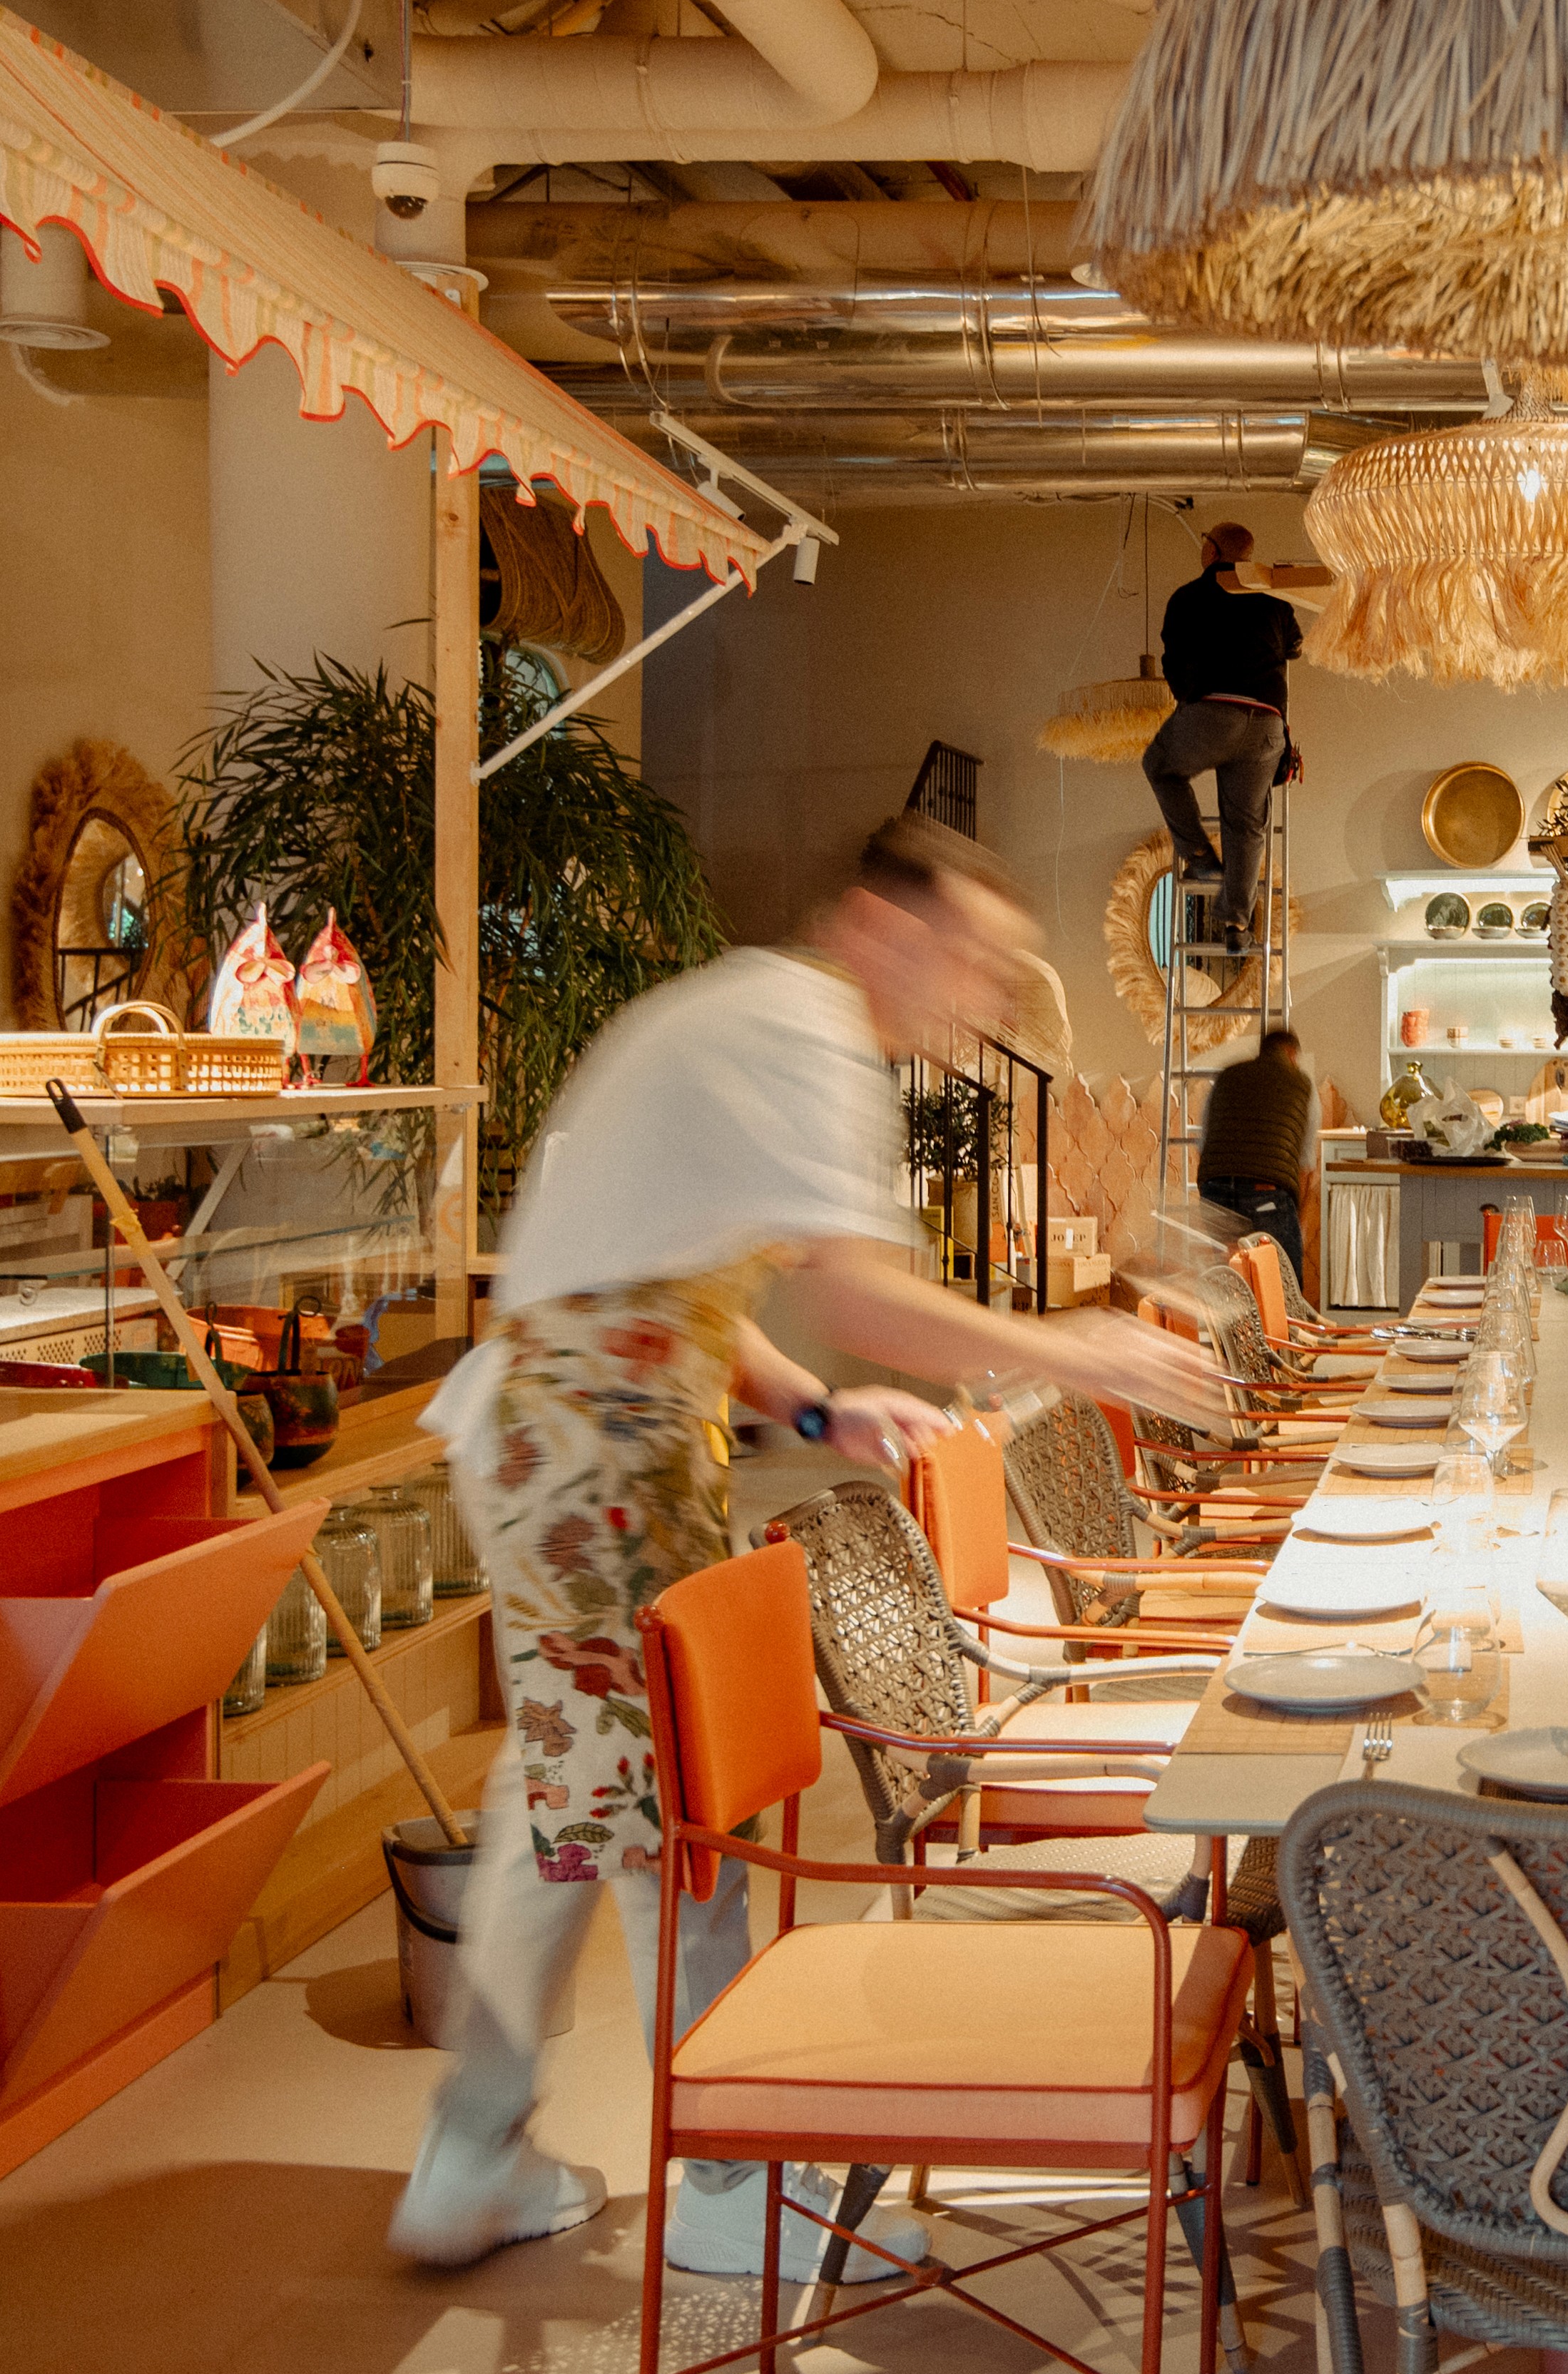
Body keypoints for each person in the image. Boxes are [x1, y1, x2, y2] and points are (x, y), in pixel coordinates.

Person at [390, 815, 1228, 2279]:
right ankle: (729, 2180)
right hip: (587, 1445)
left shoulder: (757, 1013)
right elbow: (857, 1298)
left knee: (573, 1791)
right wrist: (1079, 1347)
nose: (982, 997)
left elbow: (677, 1284)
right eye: (973, 960)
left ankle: (474, 2154)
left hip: (577, 1431)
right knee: (673, 1815)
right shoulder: (811, 1034)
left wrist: (819, 1409)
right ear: (880, 928)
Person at [1140, 521, 1304, 947]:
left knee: (1159, 766)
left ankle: (1200, 857)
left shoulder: (1189, 597)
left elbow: (1174, 658)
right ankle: (1237, 924)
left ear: (1213, 552)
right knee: (1246, 824)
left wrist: (1189, 697)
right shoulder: (1273, 599)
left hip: (1214, 712)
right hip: (1267, 723)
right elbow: (1294, 647)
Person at [1196, 1024, 1315, 1278]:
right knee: (1283, 1284)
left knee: (1230, 1282)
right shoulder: (1301, 1085)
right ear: (1292, 1054)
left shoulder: (1227, 1076)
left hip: (1215, 1191)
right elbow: (1305, 1164)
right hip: (1266, 1193)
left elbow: (1204, 1143)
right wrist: (1298, 1221)